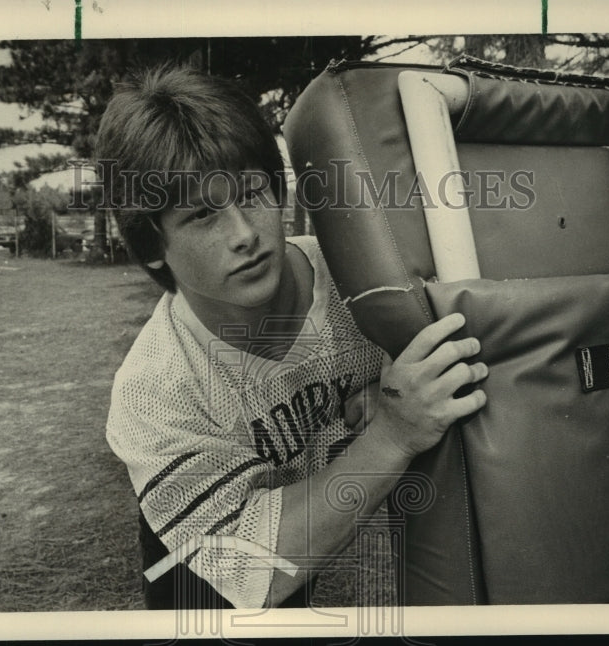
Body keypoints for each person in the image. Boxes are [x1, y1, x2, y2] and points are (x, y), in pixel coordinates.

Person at [97, 64, 488, 610]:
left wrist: (385, 395)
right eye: (204, 215)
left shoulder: (364, 279)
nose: (245, 235)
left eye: (253, 193)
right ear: (152, 244)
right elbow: (256, 568)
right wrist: (393, 435)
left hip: (304, 512)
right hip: (206, 568)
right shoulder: (155, 391)